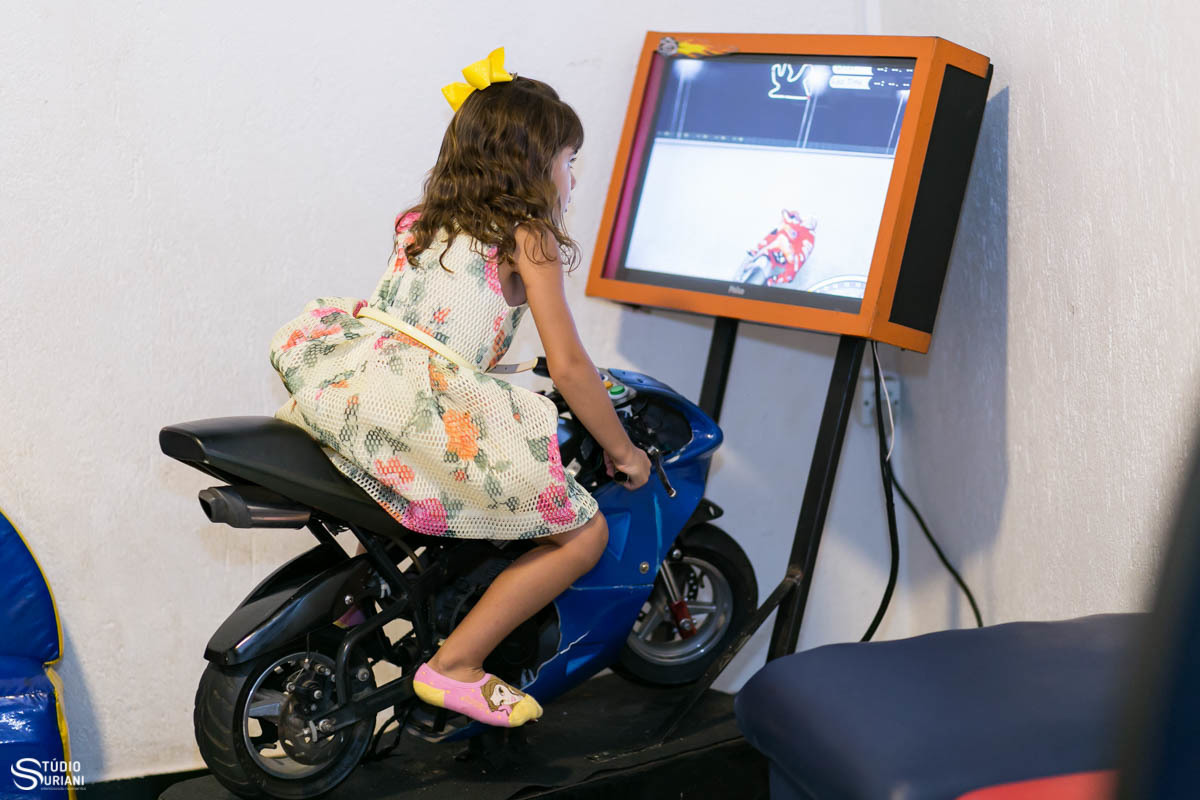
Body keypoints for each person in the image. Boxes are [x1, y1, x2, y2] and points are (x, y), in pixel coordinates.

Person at [267, 47, 652, 729]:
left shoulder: (420, 220)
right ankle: (456, 666)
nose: (571, 177)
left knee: (406, 483)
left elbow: (434, 333)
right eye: (568, 161)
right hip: (423, 408)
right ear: (532, 166)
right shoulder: (527, 238)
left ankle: (361, 605)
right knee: (583, 534)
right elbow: (568, 367)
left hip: (358, 385)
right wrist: (622, 452)